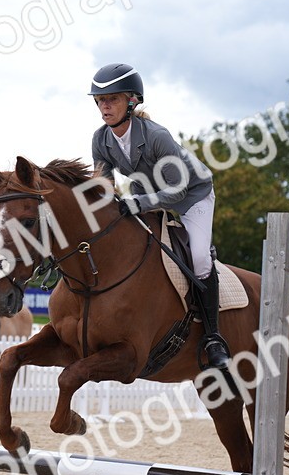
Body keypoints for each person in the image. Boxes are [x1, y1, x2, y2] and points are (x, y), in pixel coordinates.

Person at [88, 62, 230, 369]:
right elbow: (105, 188)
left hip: (192, 195)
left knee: (201, 258)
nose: (104, 106)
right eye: (100, 100)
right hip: (147, 193)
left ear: (132, 101)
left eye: (111, 99)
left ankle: (213, 338)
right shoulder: (101, 140)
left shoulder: (157, 136)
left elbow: (177, 192)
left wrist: (137, 203)